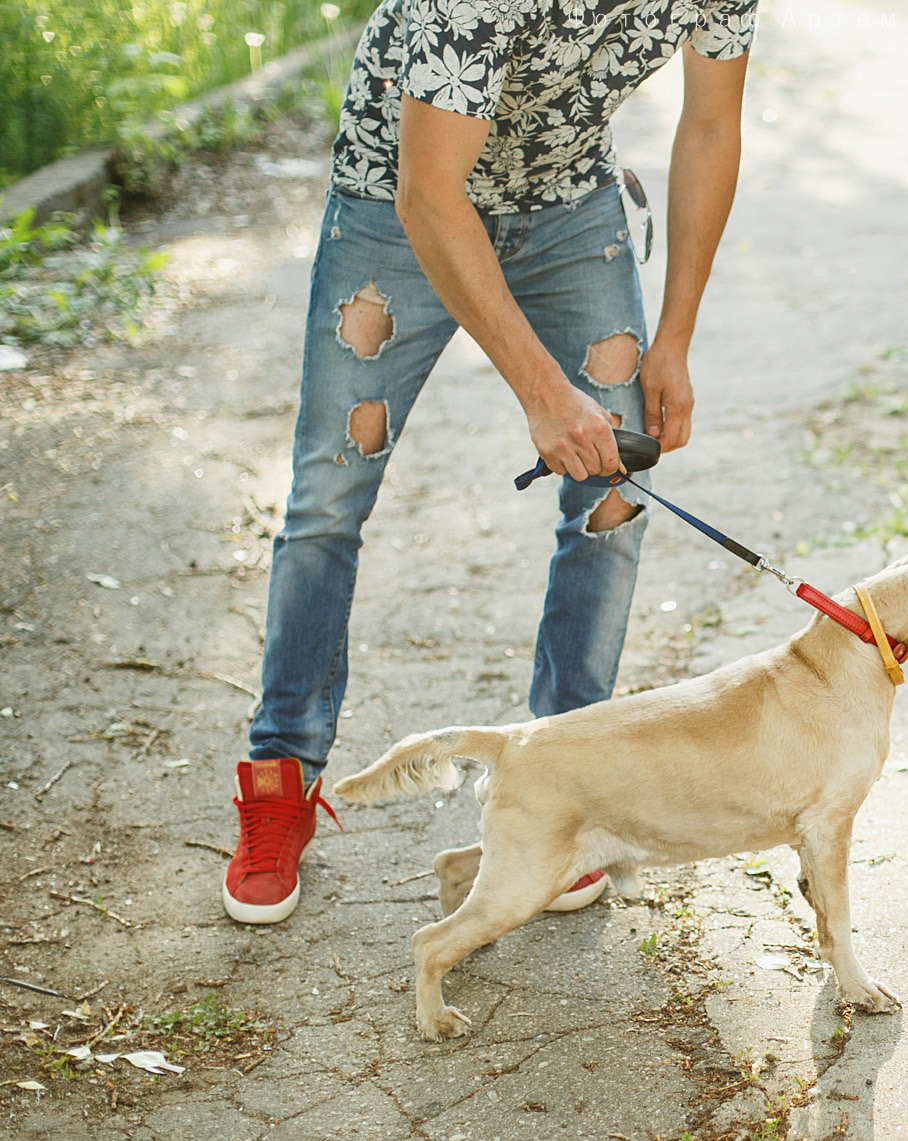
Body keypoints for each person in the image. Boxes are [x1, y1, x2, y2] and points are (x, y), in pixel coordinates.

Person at [222, 0, 757, 924]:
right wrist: (545, 392)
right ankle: (280, 779)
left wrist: (675, 335)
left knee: (614, 496)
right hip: (396, 203)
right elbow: (431, 194)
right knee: (328, 497)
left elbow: (711, 123)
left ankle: (567, 789)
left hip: (568, 201)